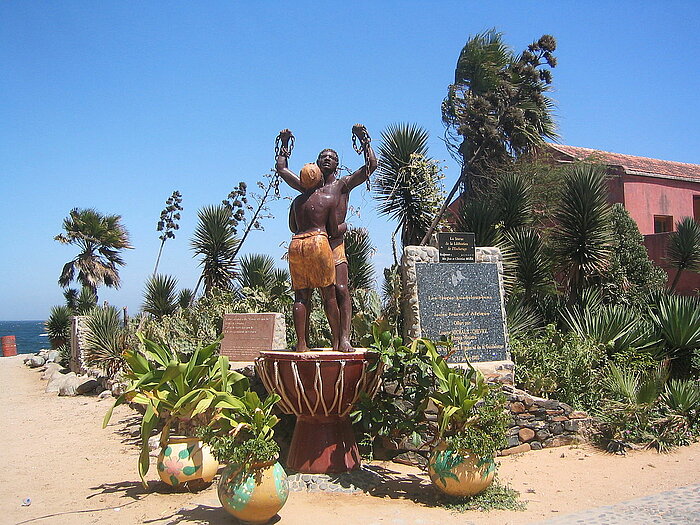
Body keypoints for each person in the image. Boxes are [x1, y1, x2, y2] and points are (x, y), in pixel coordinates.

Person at [276, 125, 377, 352]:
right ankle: (303, 342)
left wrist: (364, 141)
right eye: (323, 157)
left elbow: (370, 166)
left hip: (334, 245)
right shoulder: (307, 188)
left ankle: (343, 338)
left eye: (331, 157)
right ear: (316, 162)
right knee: (307, 293)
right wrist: (284, 145)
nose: (327, 159)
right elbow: (282, 170)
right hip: (315, 243)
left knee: (341, 289)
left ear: (337, 164)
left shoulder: (341, 185)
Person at [288, 163, 346, 352]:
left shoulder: (296, 202)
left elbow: (292, 226)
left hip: (297, 244)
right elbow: (333, 229)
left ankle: (301, 344)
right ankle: (337, 341)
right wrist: (344, 227)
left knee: (301, 296)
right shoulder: (327, 198)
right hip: (318, 243)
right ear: (319, 178)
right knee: (328, 294)